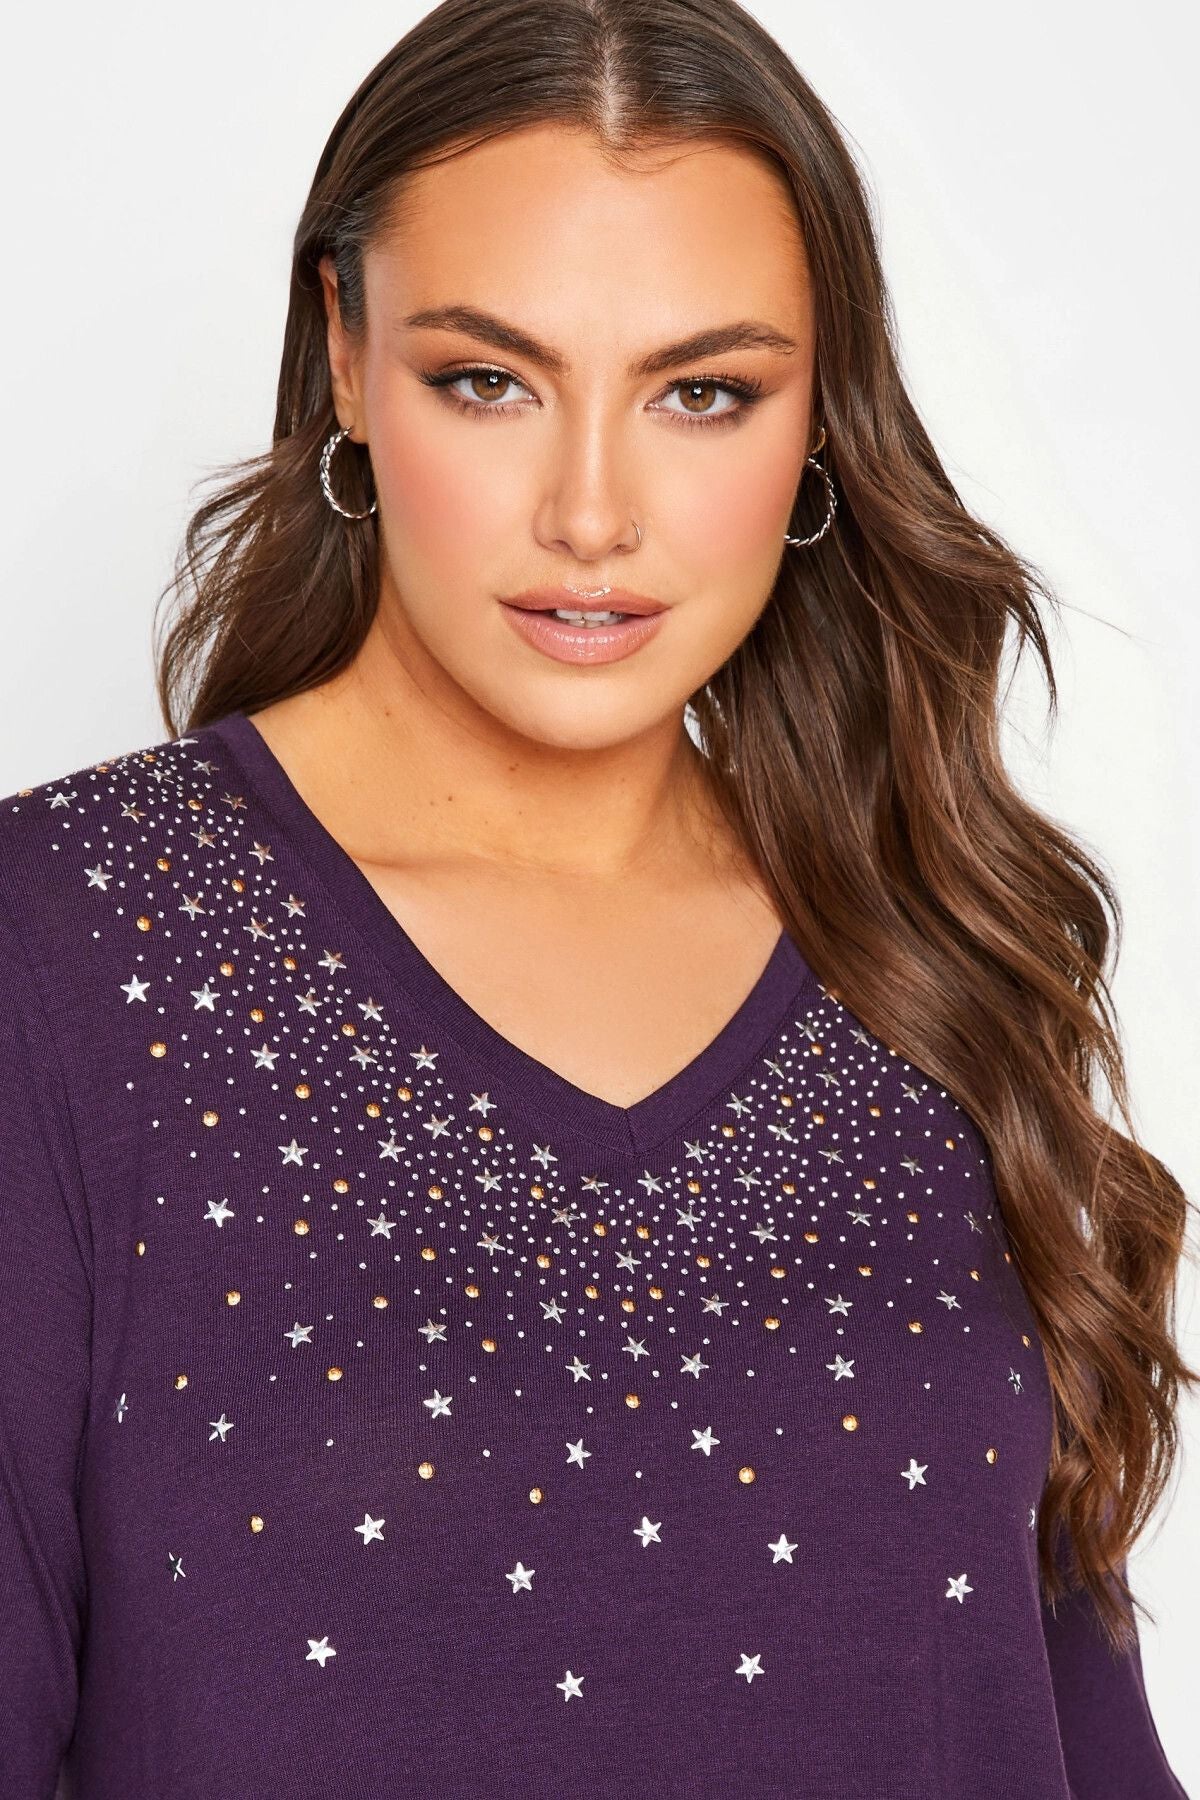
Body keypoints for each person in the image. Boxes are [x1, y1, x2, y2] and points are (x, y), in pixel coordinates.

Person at [0, 1, 1193, 1795]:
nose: (591, 513)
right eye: (489, 380)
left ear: (818, 415)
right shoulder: (64, 949)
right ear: (346, 354)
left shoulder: (934, 955)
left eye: (702, 393)